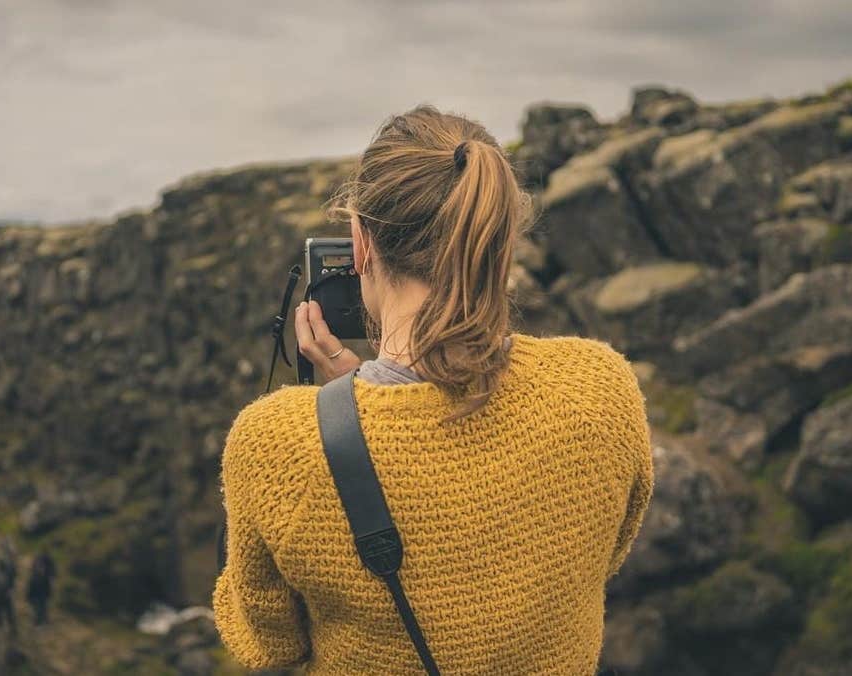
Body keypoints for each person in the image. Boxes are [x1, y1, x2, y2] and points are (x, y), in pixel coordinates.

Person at [213, 105, 654, 675]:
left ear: (361, 245)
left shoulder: (281, 444)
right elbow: (597, 556)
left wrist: (346, 411)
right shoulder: (598, 389)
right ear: (501, 243)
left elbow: (265, 641)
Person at [26, 551, 56, 626]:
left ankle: (42, 620)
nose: (40, 569)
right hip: (37, 594)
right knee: (39, 607)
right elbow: (30, 587)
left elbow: (48, 588)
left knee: (42, 607)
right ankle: (40, 620)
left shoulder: (44, 578)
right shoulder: (35, 578)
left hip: (42, 594)